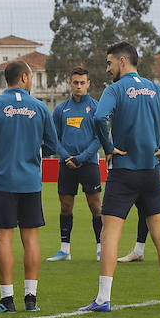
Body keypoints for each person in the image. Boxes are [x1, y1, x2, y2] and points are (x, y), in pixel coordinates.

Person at [76, 42, 160, 312]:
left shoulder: (115, 89)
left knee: (110, 234)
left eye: (109, 63)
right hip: (151, 171)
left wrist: (108, 148)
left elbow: (98, 118)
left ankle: (103, 299)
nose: (107, 69)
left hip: (123, 172)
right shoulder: (156, 89)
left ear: (122, 61)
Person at [0, 60, 66, 313]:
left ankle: (7, 300)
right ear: (24, 78)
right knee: (31, 238)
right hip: (31, 181)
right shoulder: (40, 107)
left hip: (3, 182)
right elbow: (51, 146)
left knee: (3, 239)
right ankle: (31, 299)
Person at [47, 66, 103, 262]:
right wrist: (66, 156)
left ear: (88, 84)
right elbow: (55, 139)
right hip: (66, 165)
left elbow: (100, 139)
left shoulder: (96, 108)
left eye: (82, 83)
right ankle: (64, 250)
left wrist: (82, 157)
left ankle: (100, 248)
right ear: (70, 83)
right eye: (75, 82)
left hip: (89, 164)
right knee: (65, 206)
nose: (79, 86)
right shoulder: (61, 109)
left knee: (95, 206)